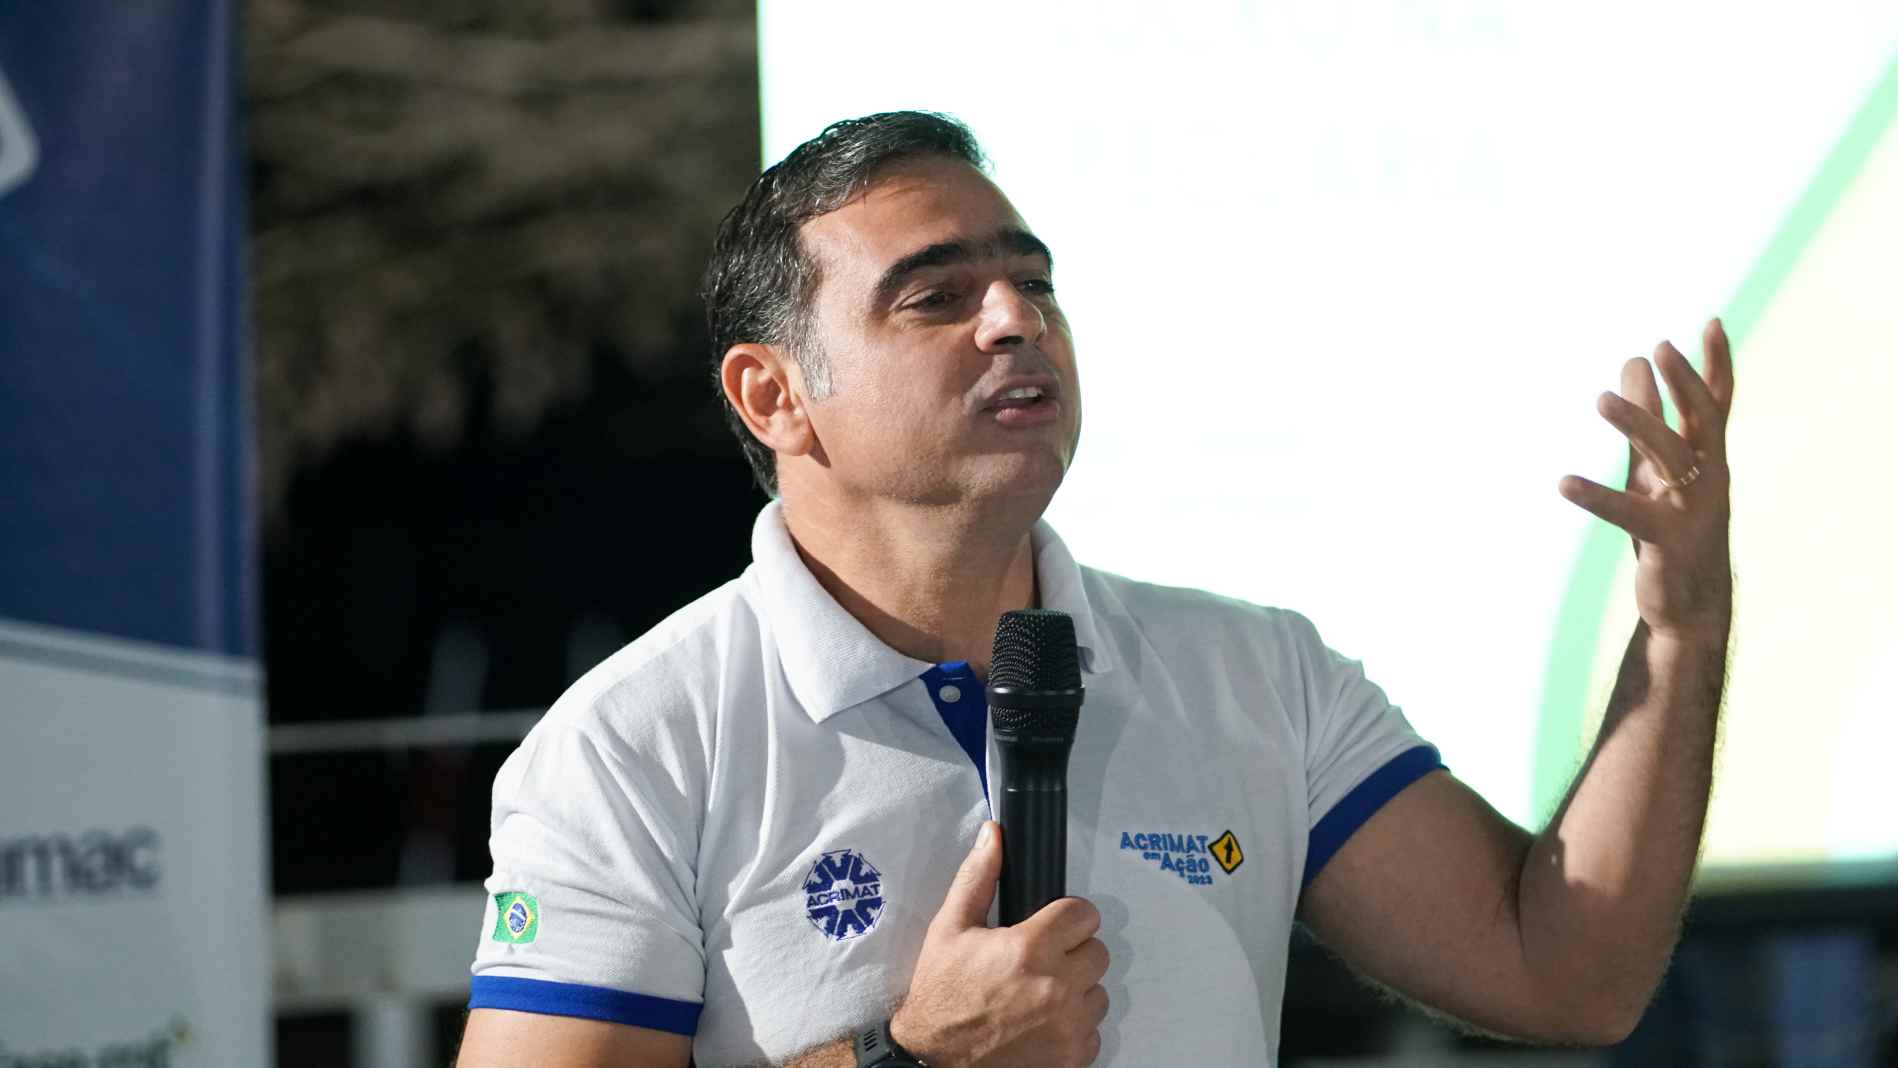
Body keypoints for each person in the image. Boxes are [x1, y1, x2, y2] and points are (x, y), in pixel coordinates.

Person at [455, 111, 1735, 1067]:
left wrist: (1676, 639)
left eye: (1033, 283)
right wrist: (914, 1059)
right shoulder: (633, 746)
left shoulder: (1258, 674)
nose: (1014, 319)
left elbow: (1562, 973)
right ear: (772, 395)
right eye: (935, 297)